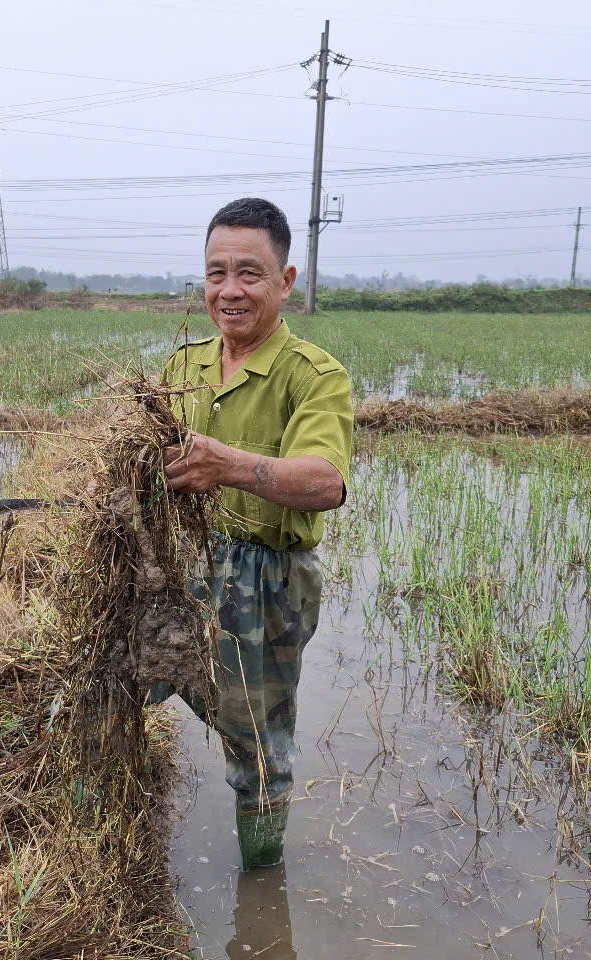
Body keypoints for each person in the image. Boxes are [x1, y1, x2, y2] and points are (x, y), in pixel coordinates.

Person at [152, 197, 353, 871]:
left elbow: (326, 481)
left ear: (285, 281)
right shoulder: (183, 366)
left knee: (258, 748)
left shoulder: (314, 376)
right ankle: (102, 830)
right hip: (178, 561)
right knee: (109, 686)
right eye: (216, 273)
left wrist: (230, 466)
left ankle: (262, 883)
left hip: (263, 580)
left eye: (249, 273)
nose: (229, 291)